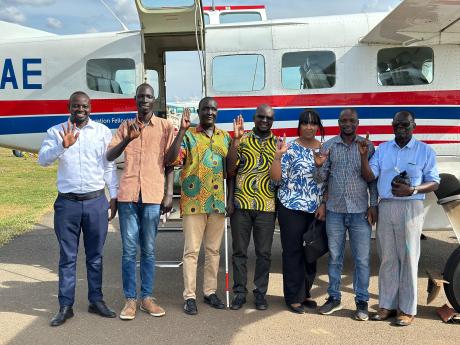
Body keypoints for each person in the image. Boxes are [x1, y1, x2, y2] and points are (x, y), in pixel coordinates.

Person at [38, 91, 118, 326]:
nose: (80, 109)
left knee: (95, 256)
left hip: (95, 202)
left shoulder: (102, 132)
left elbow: (109, 166)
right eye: (75, 106)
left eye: (84, 106)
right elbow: (42, 160)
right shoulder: (55, 131)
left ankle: (96, 300)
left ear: (90, 108)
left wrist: (113, 195)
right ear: (69, 107)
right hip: (67, 204)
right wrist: (62, 147)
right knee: (67, 258)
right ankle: (65, 306)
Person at [360, 110, 440, 326]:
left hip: (411, 206)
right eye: (397, 125)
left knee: (408, 257)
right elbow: (370, 176)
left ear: (414, 126)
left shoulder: (425, 151)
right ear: (392, 126)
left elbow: (434, 181)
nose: (401, 128)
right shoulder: (384, 149)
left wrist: (413, 189)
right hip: (387, 206)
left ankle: (407, 309)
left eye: (406, 125)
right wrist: (363, 157)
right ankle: (386, 305)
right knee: (387, 258)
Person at [106, 83, 175, 320]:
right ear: (135, 100)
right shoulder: (125, 126)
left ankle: (146, 297)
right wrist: (127, 139)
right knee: (128, 251)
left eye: (148, 96)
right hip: (128, 197)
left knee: (149, 249)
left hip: (153, 196)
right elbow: (110, 156)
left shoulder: (165, 127)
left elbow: (171, 162)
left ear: (154, 101)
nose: (144, 100)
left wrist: (168, 193)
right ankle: (130, 300)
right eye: (140, 96)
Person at [165, 97, 231, 315]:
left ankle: (210, 292)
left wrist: (229, 199)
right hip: (193, 202)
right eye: (205, 109)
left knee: (213, 251)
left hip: (217, 203)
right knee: (191, 251)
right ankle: (189, 296)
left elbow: (231, 170)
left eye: (213, 109)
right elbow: (173, 160)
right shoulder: (189, 135)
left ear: (217, 112)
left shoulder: (225, 137)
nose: (209, 112)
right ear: (199, 111)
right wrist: (181, 132)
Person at [313, 108, 378, 321]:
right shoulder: (329, 146)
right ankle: (333, 298)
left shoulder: (367, 147)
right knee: (334, 257)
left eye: (351, 120)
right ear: (338, 123)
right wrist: (319, 166)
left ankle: (362, 302)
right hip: (335, 211)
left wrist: (373, 205)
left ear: (358, 122)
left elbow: (373, 180)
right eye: (343, 120)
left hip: (360, 211)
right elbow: (321, 180)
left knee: (362, 260)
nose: (347, 123)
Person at [270, 109, 326, 314]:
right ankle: (293, 297)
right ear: (299, 126)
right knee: (292, 252)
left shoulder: (324, 149)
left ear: (318, 126)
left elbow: (327, 181)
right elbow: (276, 178)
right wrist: (278, 156)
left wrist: (323, 204)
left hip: (316, 209)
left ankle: (305, 293)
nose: (309, 127)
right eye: (305, 123)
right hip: (291, 207)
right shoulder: (290, 148)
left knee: (311, 252)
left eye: (313, 123)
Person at [226, 104, 277, 311]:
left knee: (264, 253)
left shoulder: (278, 143)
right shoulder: (242, 140)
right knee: (239, 251)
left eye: (268, 118)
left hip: (267, 205)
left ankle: (260, 293)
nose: (265, 121)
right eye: (261, 117)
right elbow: (229, 169)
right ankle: (239, 292)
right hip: (242, 204)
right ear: (254, 118)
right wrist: (236, 141)